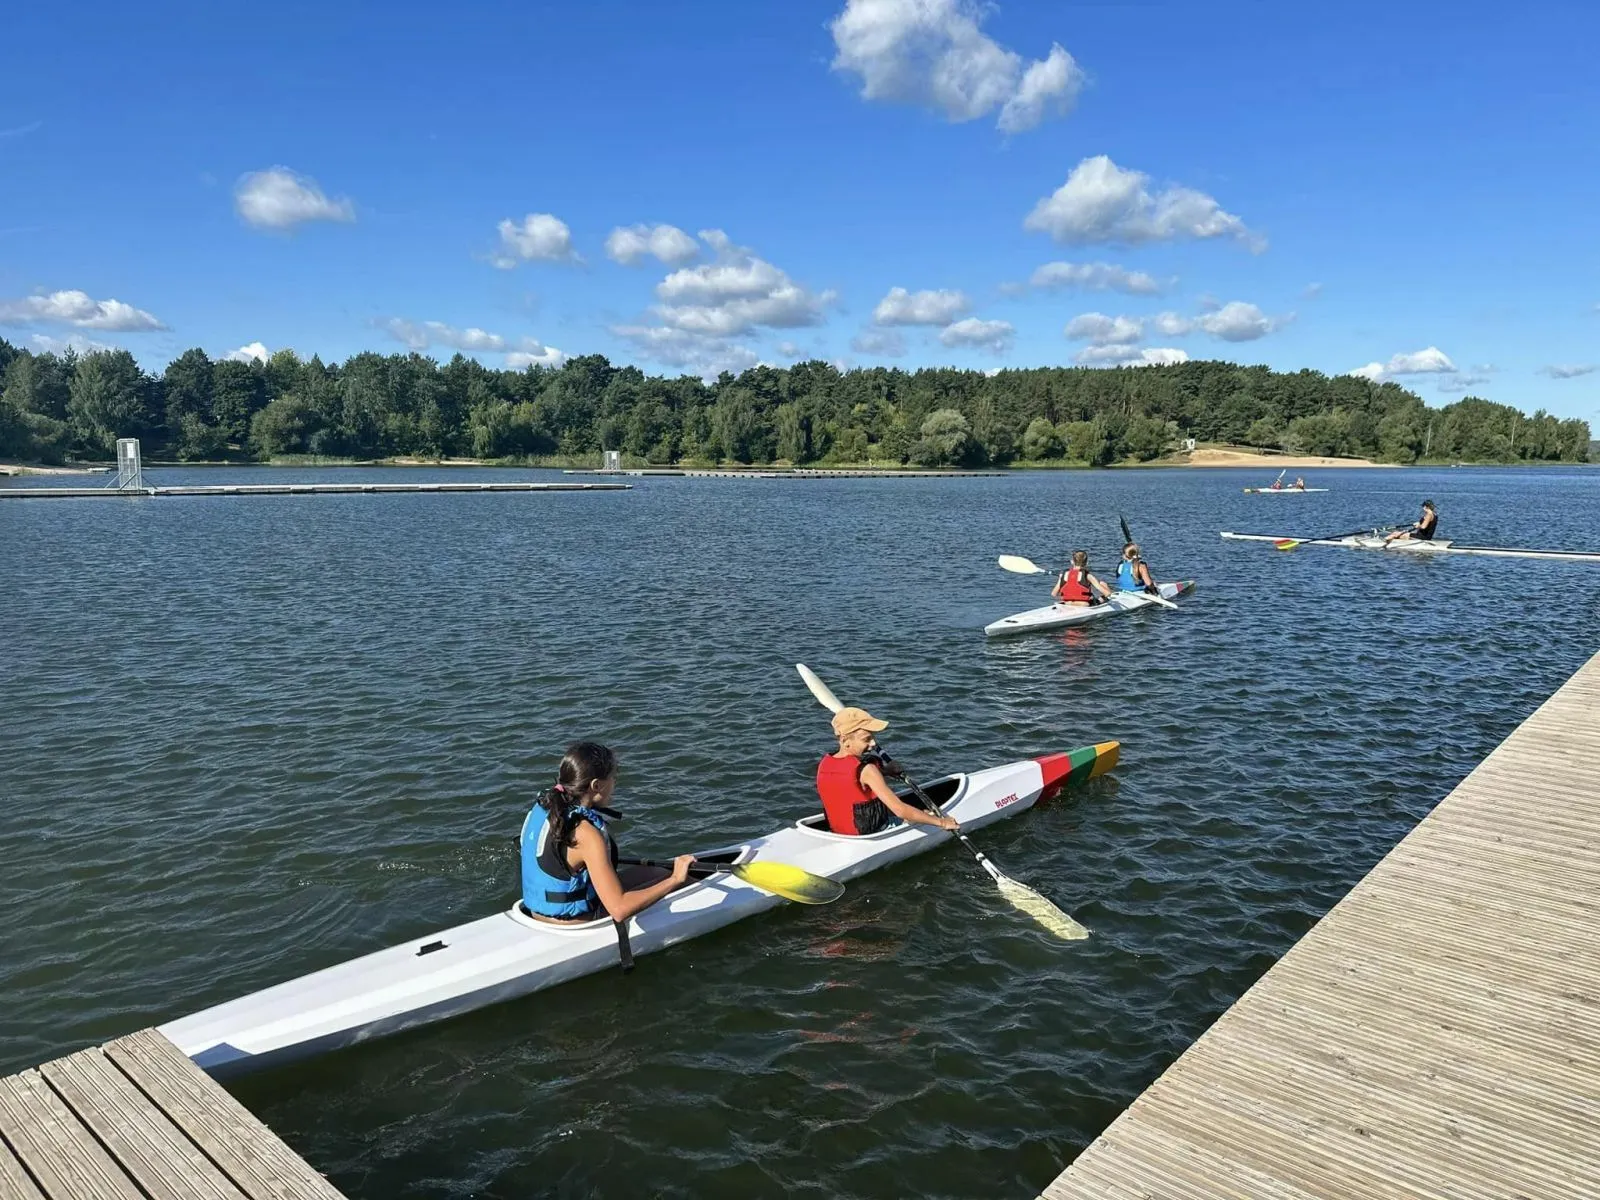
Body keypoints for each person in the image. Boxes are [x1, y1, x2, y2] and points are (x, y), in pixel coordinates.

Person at [519, 741, 694, 924]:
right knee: (677, 882)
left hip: (536, 913)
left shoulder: (545, 806)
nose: (615, 783)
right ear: (596, 786)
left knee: (656, 872)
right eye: (613, 777)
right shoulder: (586, 834)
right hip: (575, 922)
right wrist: (675, 879)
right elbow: (619, 909)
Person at [816, 707, 959, 836]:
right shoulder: (868, 770)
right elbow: (900, 810)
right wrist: (942, 822)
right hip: (873, 833)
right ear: (845, 739)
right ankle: (928, 816)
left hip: (839, 832)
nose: (873, 743)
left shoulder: (825, 763)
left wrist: (886, 771)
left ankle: (924, 815)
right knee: (921, 815)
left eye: (873, 737)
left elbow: (850, 779)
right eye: (867, 739)